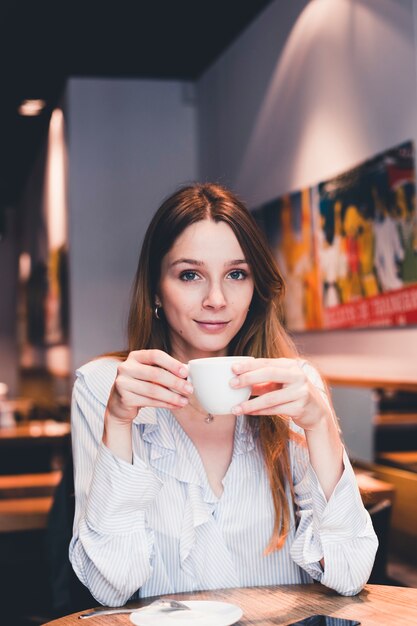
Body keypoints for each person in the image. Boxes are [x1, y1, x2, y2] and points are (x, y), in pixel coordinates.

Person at [69, 182, 378, 607]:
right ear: (157, 289)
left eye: (237, 274)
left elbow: (350, 573)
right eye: (190, 275)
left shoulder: (292, 384)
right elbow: (111, 585)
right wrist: (119, 421)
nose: (216, 299)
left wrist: (322, 426)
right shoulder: (105, 387)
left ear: (256, 288)